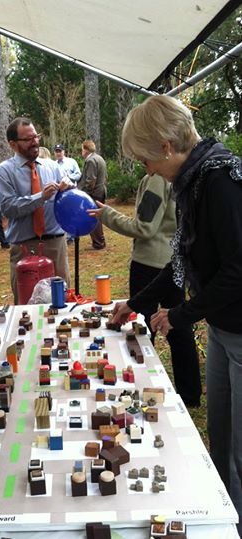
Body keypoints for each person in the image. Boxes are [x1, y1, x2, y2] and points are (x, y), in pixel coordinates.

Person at [110, 95, 242, 531]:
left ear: (166, 146)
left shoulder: (220, 180)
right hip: (225, 330)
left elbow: (238, 270)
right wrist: (137, 303)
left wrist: (184, 314)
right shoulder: (192, 181)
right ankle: (221, 518)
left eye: (146, 159)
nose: (146, 170)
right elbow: (182, 262)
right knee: (220, 439)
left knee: (239, 449)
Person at [88, 173, 201, 406]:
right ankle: (189, 394)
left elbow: (144, 227)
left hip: (150, 265)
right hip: (171, 262)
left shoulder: (157, 178)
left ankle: (137, 386)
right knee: (179, 329)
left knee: (140, 330)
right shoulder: (175, 175)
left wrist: (107, 215)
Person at [0, 117, 72, 304]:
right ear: (13, 144)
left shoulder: (53, 167)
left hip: (55, 245)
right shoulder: (4, 171)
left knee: (62, 303)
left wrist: (69, 188)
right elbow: (8, 208)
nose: (35, 142)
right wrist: (41, 197)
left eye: (36, 136)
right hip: (24, 249)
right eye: (28, 139)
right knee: (27, 307)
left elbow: (70, 199)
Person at [77, 139, 107, 250]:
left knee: (93, 217)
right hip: (101, 191)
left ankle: (98, 243)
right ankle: (100, 241)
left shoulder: (90, 161)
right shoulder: (100, 158)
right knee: (97, 217)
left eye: (82, 149)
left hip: (93, 194)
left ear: (85, 150)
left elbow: (90, 180)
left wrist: (85, 195)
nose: (81, 152)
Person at [54, 143, 81, 244]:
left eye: (60, 151)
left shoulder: (71, 162)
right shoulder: (54, 164)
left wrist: (68, 178)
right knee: (63, 213)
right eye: (56, 151)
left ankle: (72, 236)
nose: (58, 153)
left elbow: (78, 174)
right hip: (60, 192)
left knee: (72, 212)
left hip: (71, 190)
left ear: (64, 152)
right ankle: (65, 235)